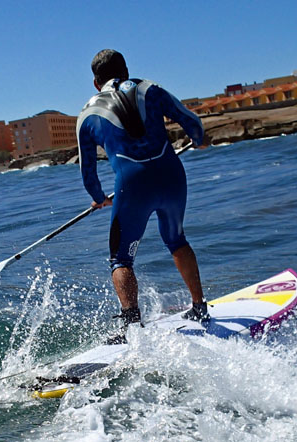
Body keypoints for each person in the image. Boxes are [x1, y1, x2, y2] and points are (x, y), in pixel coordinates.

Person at [76, 49, 210, 335]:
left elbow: (88, 172)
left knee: (121, 259)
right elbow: (194, 124)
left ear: (95, 83)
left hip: (132, 186)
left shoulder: (87, 115)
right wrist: (197, 139)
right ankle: (199, 306)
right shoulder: (151, 88)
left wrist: (99, 198)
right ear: (125, 71)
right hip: (172, 177)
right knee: (176, 239)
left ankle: (132, 326)